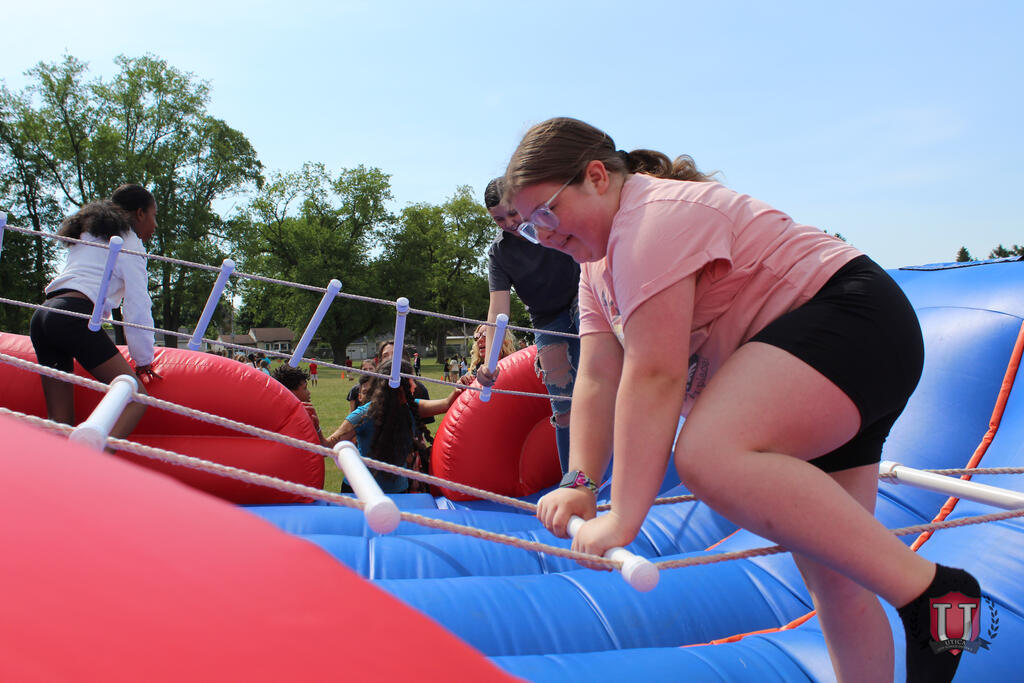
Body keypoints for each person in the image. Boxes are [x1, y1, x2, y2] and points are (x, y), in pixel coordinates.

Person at [510, 117, 978, 683]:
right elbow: (596, 378)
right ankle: (941, 612)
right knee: (836, 578)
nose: (544, 236)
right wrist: (580, 482)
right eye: (530, 227)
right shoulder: (596, 270)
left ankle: (934, 592)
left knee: (708, 455)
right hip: (826, 360)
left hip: (852, 325)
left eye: (547, 213)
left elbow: (653, 374)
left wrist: (623, 518)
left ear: (596, 177)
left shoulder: (650, 218)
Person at [29, 185, 161, 439]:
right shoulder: (128, 242)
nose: (154, 226)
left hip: (44, 315)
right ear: (140, 213)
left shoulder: (88, 233)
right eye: (154, 216)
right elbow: (137, 306)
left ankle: (59, 464)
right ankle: (96, 460)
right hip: (74, 316)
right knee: (135, 397)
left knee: (60, 423)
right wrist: (144, 359)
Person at [479, 176, 582, 473]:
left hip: (582, 296)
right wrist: (489, 362)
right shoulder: (500, 252)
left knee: (595, 380)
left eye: (513, 213)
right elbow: (498, 309)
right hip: (547, 318)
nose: (509, 223)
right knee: (562, 404)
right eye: (499, 219)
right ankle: (572, 481)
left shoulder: (550, 222)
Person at [324, 359, 462, 493]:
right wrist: (315, 426)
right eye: (412, 380)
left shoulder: (412, 407)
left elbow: (447, 404)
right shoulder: (363, 414)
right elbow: (327, 446)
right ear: (400, 385)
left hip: (398, 492)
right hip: (359, 492)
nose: (415, 385)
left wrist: (460, 387)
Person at [271, 364, 324, 445]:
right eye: (305, 388)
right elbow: (321, 448)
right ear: (290, 392)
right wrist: (316, 429)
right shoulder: (290, 422)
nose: (309, 392)